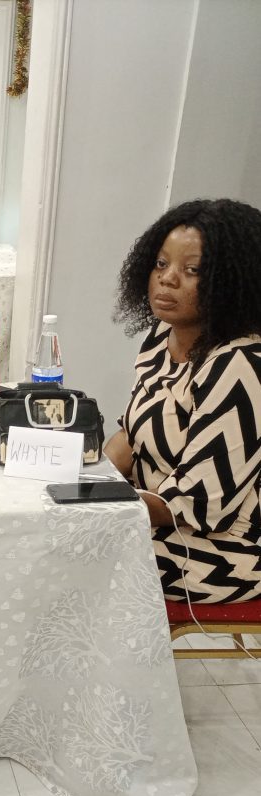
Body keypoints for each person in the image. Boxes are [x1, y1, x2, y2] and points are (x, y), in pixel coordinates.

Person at [105, 198, 261, 604]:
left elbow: (200, 502)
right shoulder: (162, 336)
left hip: (224, 545)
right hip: (150, 515)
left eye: (192, 271)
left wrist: (99, 508)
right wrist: (83, 481)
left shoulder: (241, 366)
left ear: (232, 280)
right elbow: (130, 434)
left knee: (79, 557)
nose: (167, 279)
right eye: (161, 264)